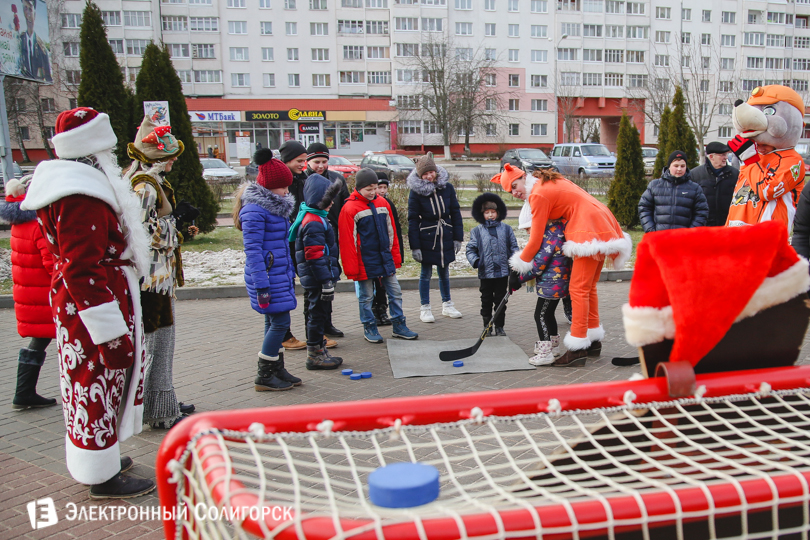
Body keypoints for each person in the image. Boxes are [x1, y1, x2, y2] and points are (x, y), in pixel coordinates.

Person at [22, 107, 153, 497]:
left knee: (100, 383)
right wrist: (109, 334)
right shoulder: (81, 195)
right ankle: (101, 475)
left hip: (91, 301)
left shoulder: (74, 184)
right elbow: (82, 269)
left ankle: (102, 456)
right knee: (95, 381)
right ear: (93, 150)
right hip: (93, 305)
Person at [494, 164, 631, 367]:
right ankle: (593, 341)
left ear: (523, 177)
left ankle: (577, 348)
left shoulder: (537, 194)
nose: (514, 192)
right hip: (600, 221)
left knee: (578, 289)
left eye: (514, 186)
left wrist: (517, 268)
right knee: (588, 288)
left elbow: (535, 240)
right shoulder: (544, 183)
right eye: (510, 191)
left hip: (587, 227)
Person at [125, 115, 195, 429]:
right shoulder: (144, 185)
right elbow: (139, 231)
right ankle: (157, 410)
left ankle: (160, 401)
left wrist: (176, 224)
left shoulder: (150, 181)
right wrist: (173, 224)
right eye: (170, 156)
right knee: (157, 344)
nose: (174, 161)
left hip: (158, 277)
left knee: (162, 342)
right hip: (151, 279)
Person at [234, 153, 301, 390]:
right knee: (281, 322)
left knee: (273, 321)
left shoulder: (274, 209)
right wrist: (262, 285)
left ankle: (276, 369)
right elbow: (253, 252)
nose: (286, 191)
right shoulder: (255, 211)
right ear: (269, 187)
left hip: (278, 275)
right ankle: (264, 374)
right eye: (283, 187)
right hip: (267, 278)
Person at [340, 168, 418, 343]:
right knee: (366, 297)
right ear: (359, 188)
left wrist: (395, 257)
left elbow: (392, 233)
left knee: (395, 292)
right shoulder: (349, 208)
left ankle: (399, 325)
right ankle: (369, 326)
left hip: (384, 258)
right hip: (364, 261)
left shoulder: (383, 203)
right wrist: (352, 268)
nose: (373, 192)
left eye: (375, 188)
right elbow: (347, 241)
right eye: (369, 189)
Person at [1, 174, 57, 409]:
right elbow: (51, 263)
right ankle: (24, 392)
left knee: (39, 339)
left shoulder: (19, 223)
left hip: (30, 295)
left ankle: (24, 392)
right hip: (45, 294)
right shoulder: (38, 225)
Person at [726, 85, 806, 232]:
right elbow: (738, 199)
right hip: (737, 234)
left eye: (765, 144)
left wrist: (749, 159)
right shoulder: (753, 158)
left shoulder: (792, 160)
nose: (760, 147)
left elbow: (766, 192)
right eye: (757, 144)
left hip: (768, 236)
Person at [289, 174, 344, 369]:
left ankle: (320, 350)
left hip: (318, 277)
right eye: (328, 200)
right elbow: (314, 255)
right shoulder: (313, 221)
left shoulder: (316, 217)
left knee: (319, 314)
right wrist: (325, 281)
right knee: (317, 315)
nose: (332, 203)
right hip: (317, 279)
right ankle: (314, 356)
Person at [406, 152, 464, 322]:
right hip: (427, 237)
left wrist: (457, 237)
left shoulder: (447, 188)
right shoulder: (416, 193)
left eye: (431, 172)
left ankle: (447, 304)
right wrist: (415, 246)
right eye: (425, 174)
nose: (429, 176)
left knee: (444, 272)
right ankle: (425, 308)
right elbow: (412, 219)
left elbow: (455, 213)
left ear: (436, 171)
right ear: (420, 175)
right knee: (425, 274)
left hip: (445, 234)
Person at [511, 220, 573, 365]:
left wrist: (519, 279)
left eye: (528, 228)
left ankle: (545, 353)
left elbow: (538, 266)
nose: (527, 232)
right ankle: (553, 347)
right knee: (548, 314)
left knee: (540, 315)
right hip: (558, 282)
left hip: (551, 283)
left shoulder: (549, 237)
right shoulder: (555, 231)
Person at [304, 142, 349, 338]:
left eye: (324, 161)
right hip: (314, 236)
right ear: (308, 162)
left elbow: (345, 206)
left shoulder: (337, 179)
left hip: (332, 235)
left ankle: (327, 323)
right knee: (315, 286)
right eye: (316, 162)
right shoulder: (305, 181)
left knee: (329, 281)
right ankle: (314, 330)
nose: (321, 166)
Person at [278, 140, 319, 350]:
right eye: (299, 160)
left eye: (305, 160)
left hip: (303, 239)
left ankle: (314, 333)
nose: (303, 164)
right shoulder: (278, 183)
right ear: (286, 161)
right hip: (285, 242)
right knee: (285, 289)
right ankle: (284, 334)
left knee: (310, 284)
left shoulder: (305, 179)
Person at [466, 193, 518, 337]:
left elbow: (514, 247)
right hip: (486, 272)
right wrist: (476, 261)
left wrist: (515, 263)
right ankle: (487, 326)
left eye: (493, 212)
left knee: (501, 301)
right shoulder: (477, 231)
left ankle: (499, 326)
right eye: (487, 212)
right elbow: (470, 249)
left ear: (498, 212)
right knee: (486, 300)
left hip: (502, 272)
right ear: (481, 214)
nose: (490, 215)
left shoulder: (506, 229)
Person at [638, 150, 709, 233]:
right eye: (676, 166)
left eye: (682, 166)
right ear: (669, 166)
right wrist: (651, 230)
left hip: (684, 237)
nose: (679, 169)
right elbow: (644, 208)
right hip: (660, 236)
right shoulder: (654, 185)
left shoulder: (695, 188)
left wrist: (691, 232)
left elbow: (701, 212)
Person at [371, 173, 404, 326]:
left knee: (384, 285)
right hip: (373, 253)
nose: (382, 191)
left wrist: (399, 253)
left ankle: (383, 310)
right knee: (373, 285)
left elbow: (395, 229)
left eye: (385, 187)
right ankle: (374, 311)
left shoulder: (388, 204)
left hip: (386, 252)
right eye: (379, 187)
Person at [691, 142, 738, 227]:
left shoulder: (735, 174)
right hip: (704, 226)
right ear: (711, 157)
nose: (726, 157)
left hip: (728, 225)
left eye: (726, 154)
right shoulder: (695, 174)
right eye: (722, 155)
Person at [18, 0, 50, 82]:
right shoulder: (19, 41)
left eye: (30, 9)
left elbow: (48, 78)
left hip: (39, 86)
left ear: (34, 14)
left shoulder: (42, 48)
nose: (28, 14)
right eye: (25, 8)